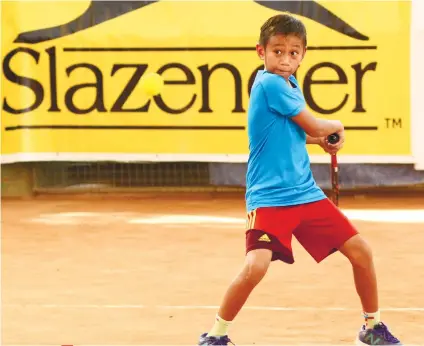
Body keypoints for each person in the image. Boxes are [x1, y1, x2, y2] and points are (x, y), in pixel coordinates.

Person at [198, 13, 402, 346]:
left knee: (361, 252)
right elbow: (315, 124)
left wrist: (317, 141)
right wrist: (334, 128)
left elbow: (294, 131)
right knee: (256, 267)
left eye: (294, 52)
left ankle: (372, 328)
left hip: (306, 194)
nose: (285, 59)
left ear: (303, 54)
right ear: (260, 52)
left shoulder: (290, 84)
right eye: (277, 51)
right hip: (269, 197)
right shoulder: (269, 83)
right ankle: (215, 336)